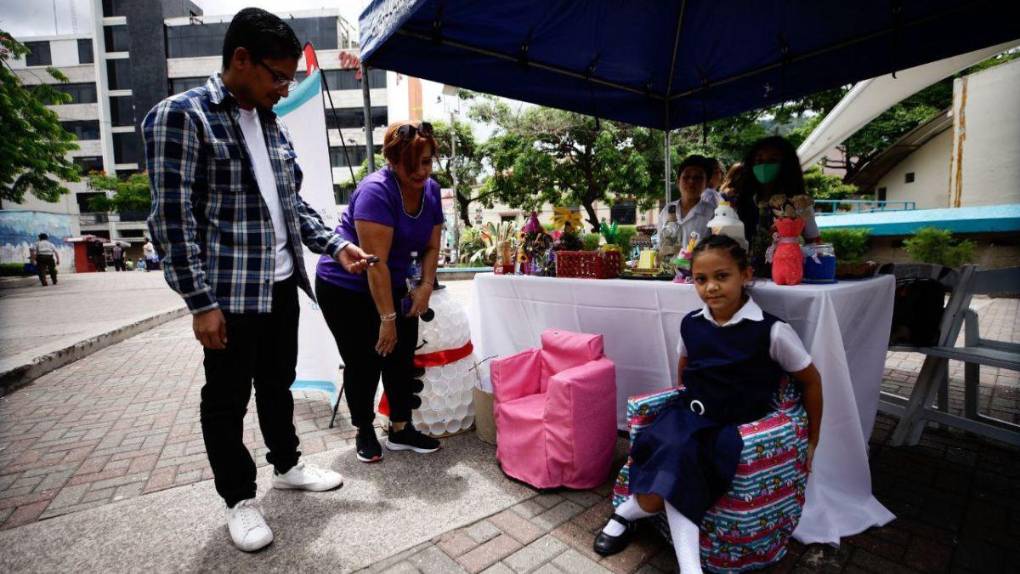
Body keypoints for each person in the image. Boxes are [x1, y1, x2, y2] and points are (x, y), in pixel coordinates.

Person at [143, 7, 372, 553]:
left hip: (281, 282)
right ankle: (238, 499)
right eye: (277, 75)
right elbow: (171, 223)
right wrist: (200, 302)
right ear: (240, 59)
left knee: (278, 382)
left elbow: (291, 207)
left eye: (289, 78)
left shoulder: (271, 122)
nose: (283, 87)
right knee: (226, 398)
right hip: (229, 293)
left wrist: (336, 245)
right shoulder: (181, 117)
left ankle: (287, 464)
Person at [593, 235, 823, 573]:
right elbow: (686, 370)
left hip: (730, 428)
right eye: (701, 279)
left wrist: (813, 440)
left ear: (745, 274)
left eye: (722, 276)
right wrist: (686, 400)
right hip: (687, 418)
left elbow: (811, 381)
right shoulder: (691, 323)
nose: (711, 287)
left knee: (679, 467)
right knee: (678, 451)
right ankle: (689, 567)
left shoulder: (771, 331)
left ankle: (626, 513)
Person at [315, 121, 444, 464]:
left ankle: (401, 429)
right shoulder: (377, 192)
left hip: (393, 282)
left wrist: (425, 287)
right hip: (346, 286)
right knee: (366, 358)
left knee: (401, 355)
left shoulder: (431, 191)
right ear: (392, 160)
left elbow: (432, 247)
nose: (421, 171)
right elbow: (375, 264)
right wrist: (387, 319)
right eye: (411, 163)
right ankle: (364, 429)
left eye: (427, 162)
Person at [734, 136, 820, 274]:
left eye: (773, 160)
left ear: (787, 165)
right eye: (759, 160)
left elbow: (814, 242)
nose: (764, 165)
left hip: (790, 274)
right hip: (750, 276)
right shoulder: (743, 202)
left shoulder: (799, 203)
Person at [657, 155, 717, 243]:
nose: (691, 181)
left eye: (697, 178)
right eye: (686, 177)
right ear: (678, 182)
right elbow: (660, 244)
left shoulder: (712, 213)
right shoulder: (667, 210)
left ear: (707, 183)